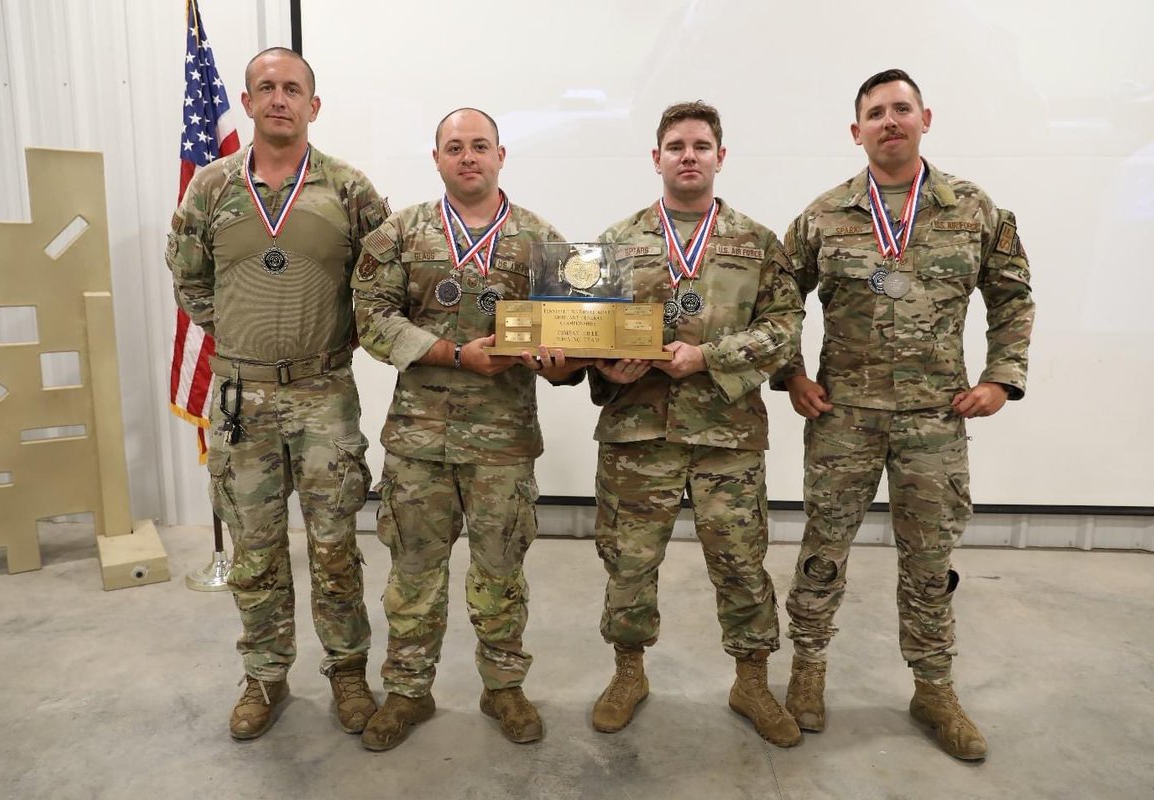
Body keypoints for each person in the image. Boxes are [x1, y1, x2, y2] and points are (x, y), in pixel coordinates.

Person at [775, 68, 1036, 761]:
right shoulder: (825, 214)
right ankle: (807, 670)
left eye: (900, 109)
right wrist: (790, 373)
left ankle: (933, 686)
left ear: (925, 117)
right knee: (823, 552)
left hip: (934, 419)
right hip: (844, 418)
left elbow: (1013, 297)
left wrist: (1002, 379)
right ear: (855, 130)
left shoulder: (974, 210)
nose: (888, 121)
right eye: (874, 113)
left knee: (929, 560)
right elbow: (776, 299)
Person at [166, 47, 389, 740]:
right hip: (240, 401)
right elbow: (190, 281)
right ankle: (264, 674)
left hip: (324, 396)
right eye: (266, 87)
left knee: (333, 546)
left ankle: (349, 673)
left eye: (293, 88)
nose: (280, 98)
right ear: (247, 100)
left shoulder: (350, 190)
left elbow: (379, 286)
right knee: (255, 549)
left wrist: (322, 347)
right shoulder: (209, 188)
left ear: (313, 105)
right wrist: (243, 341)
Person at [353, 107, 579, 751]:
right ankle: (406, 691)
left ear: (502, 155)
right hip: (419, 442)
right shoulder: (401, 233)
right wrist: (454, 354)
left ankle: (503, 687)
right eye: (455, 147)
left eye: (480, 146)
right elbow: (370, 317)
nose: (468, 157)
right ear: (437, 159)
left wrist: (563, 365)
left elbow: (571, 333)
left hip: (502, 444)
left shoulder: (541, 240)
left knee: (501, 572)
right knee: (413, 575)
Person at [585, 101, 805, 747]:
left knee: (741, 565)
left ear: (719, 157)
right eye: (676, 145)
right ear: (656, 157)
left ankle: (752, 679)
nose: (688, 155)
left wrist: (710, 356)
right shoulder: (617, 242)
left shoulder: (757, 244)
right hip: (637, 434)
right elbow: (587, 329)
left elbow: (784, 328)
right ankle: (629, 674)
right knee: (628, 563)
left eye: (701, 145)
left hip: (726, 435)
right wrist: (609, 371)